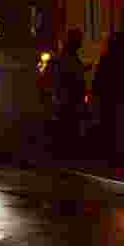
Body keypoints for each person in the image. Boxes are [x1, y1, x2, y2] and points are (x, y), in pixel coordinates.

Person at [92, 32, 124, 166]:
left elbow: (99, 82)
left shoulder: (106, 58)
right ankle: (120, 156)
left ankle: (112, 156)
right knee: (120, 129)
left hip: (109, 101)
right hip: (121, 100)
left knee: (110, 129)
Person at [51, 28, 89, 157]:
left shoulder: (67, 57)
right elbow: (69, 76)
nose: (80, 43)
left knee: (69, 124)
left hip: (69, 98)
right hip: (69, 99)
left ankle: (66, 150)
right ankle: (67, 151)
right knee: (68, 125)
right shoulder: (67, 57)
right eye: (79, 40)